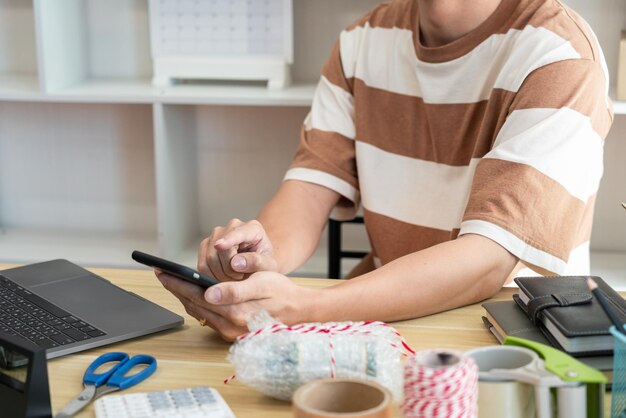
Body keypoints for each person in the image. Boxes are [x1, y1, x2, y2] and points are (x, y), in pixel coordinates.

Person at [157, 0, 613, 341]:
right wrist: (257, 259)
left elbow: (487, 260)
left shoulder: (561, 56)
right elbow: (309, 186)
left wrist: (307, 305)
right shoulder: (362, 39)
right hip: (383, 317)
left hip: (507, 336)